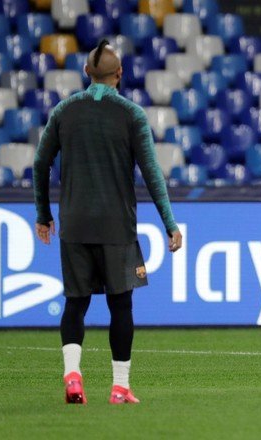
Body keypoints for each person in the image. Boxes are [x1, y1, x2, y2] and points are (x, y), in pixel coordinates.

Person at [33, 40, 183, 404]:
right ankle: (119, 387)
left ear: (86, 73)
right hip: (117, 227)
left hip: (75, 225)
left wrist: (43, 215)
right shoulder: (132, 115)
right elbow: (151, 173)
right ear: (120, 74)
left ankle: (73, 377)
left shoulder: (64, 111)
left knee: (75, 303)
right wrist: (170, 224)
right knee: (121, 305)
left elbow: (39, 164)